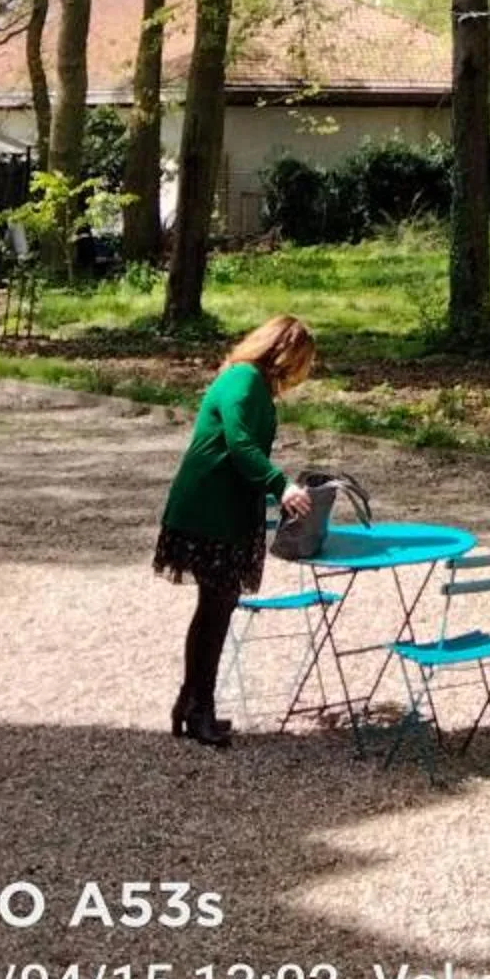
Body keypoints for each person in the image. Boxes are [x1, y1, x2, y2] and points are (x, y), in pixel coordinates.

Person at [153, 315, 316, 748]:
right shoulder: (243, 380)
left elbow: (247, 453)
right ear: (286, 354)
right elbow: (240, 443)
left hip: (228, 508)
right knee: (214, 608)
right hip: (209, 510)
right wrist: (282, 486)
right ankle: (197, 707)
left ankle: (192, 702)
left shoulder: (254, 385)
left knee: (216, 607)